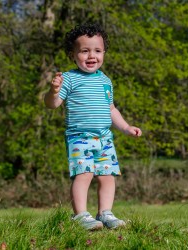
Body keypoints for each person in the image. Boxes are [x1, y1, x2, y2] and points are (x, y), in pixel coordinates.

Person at [44, 23, 142, 230]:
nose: (91, 56)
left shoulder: (105, 81)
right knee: (84, 174)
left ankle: (105, 213)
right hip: (79, 137)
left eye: (97, 50)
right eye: (84, 51)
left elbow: (111, 109)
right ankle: (80, 215)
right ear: (73, 54)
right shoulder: (69, 79)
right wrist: (54, 91)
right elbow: (52, 105)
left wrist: (125, 128)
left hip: (105, 138)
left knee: (107, 177)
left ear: (104, 53)